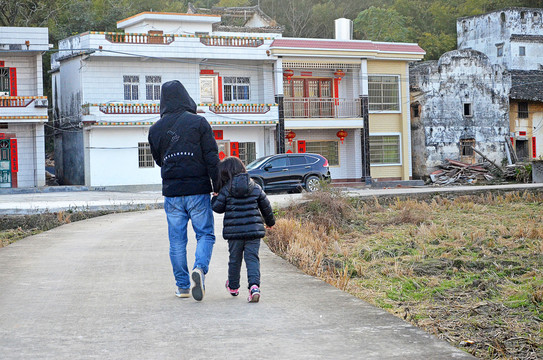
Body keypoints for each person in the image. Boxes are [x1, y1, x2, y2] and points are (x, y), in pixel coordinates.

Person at [148, 80, 220, 301]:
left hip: (172, 192)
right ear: (186, 97)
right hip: (198, 189)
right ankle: (199, 269)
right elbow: (212, 158)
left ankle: (182, 287)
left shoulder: (155, 129)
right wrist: (217, 186)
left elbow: (159, 161)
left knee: (177, 242)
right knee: (205, 234)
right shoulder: (199, 123)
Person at [211, 156, 275, 303]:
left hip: (234, 234)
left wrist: (215, 197)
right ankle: (254, 287)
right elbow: (266, 207)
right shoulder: (255, 187)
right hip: (253, 231)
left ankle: (233, 287)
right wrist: (270, 222)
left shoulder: (226, 190)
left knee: (235, 259)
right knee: (252, 258)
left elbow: (217, 208)